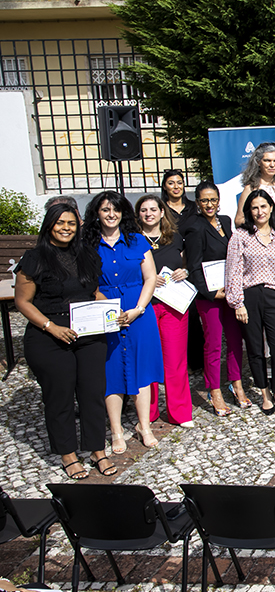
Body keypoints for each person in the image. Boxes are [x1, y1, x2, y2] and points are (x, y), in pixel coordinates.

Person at [15, 203, 114, 479]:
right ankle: (68, 455)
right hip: (48, 335)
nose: (66, 228)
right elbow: (22, 302)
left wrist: (112, 314)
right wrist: (51, 327)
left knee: (93, 393)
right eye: (60, 223)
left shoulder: (87, 255)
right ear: (49, 225)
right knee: (60, 397)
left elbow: (93, 292)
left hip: (88, 331)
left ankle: (97, 450)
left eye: (71, 223)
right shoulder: (34, 259)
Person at [83, 191, 164, 452]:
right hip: (107, 314)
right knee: (112, 371)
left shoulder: (137, 240)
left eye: (115, 210)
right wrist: (106, 307)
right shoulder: (88, 244)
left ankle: (145, 426)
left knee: (141, 371)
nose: (111, 215)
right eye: (105, 210)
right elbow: (87, 283)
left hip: (139, 312)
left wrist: (138, 308)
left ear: (123, 213)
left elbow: (150, 277)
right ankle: (117, 431)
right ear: (97, 213)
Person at [226, 189, 275, 416]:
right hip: (250, 296)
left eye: (263, 206)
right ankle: (264, 394)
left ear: (272, 209)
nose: (259, 211)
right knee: (255, 349)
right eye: (255, 207)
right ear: (249, 210)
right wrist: (237, 303)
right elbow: (233, 271)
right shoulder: (240, 236)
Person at [185, 182, 248, 415]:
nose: (209, 204)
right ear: (197, 202)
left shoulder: (226, 221)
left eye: (213, 200)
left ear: (219, 200)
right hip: (210, 296)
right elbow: (193, 267)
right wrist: (211, 292)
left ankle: (236, 383)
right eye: (204, 200)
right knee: (213, 345)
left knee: (235, 340)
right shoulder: (194, 227)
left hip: (230, 292)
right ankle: (214, 390)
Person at [136, 194, 193, 428]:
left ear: (162, 212)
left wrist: (185, 272)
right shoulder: (133, 241)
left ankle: (179, 412)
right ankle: (148, 412)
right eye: (143, 210)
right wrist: (148, 279)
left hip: (174, 305)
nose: (149, 213)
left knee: (175, 360)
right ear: (138, 215)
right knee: (148, 359)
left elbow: (186, 264)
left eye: (153, 209)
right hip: (146, 305)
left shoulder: (175, 238)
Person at [160, 168, 198, 233]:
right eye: (171, 183)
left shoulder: (194, 207)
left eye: (179, 183)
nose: (176, 186)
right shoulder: (161, 209)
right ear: (164, 186)